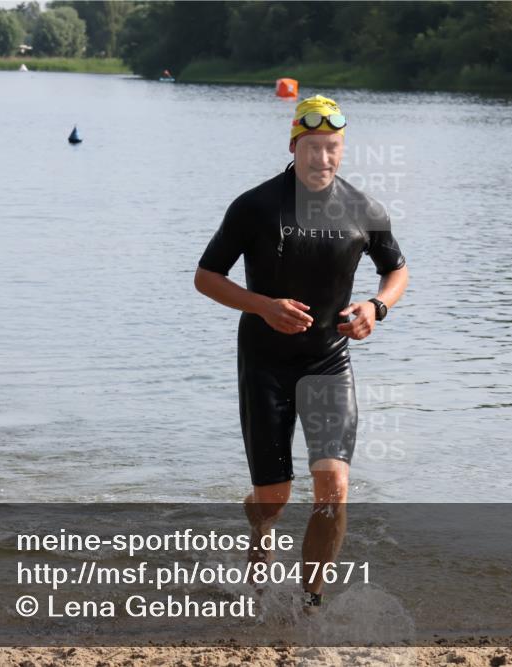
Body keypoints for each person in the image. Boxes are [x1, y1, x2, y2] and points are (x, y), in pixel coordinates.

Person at [194, 94, 409, 609]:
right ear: (294, 147)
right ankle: (261, 528)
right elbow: (206, 276)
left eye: (332, 147)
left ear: (342, 149)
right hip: (265, 362)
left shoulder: (364, 210)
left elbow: (397, 270)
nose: (323, 158)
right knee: (274, 498)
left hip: (328, 361)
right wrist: (263, 306)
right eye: (313, 147)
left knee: (334, 487)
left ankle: (311, 603)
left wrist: (376, 307)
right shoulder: (256, 206)